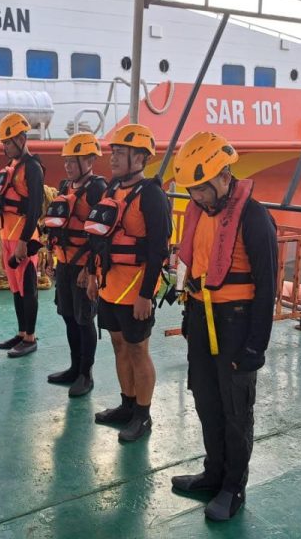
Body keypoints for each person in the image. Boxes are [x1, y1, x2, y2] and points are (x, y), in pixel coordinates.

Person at [169, 131, 278, 521]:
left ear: (222, 177)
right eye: (191, 190)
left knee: (236, 410)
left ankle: (234, 486)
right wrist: (187, 315)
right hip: (201, 320)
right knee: (206, 401)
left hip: (235, 326)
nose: (195, 197)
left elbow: (267, 288)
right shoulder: (200, 215)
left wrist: (255, 348)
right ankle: (213, 472)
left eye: (200, 189)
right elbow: (196, 269)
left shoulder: (254, 217)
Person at [86, 124, 172, 442]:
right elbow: (100, 237)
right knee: (118, 345)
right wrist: (94, 274)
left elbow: (159, 249)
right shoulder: (111, 190)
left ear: (140, 158)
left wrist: (146, 295)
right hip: (110, 286)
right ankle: (127, 405)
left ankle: (143, 416)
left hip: (136, 290)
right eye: (113, 152)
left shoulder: (151, 195)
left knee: (138, 350)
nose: (113, 158)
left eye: (120, 152)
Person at [44, 132, 107, 396]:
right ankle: (74, 367)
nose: (68, 165)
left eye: (74, 160)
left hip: (83, 266)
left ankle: (86, 374)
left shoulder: (97, 189)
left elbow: (100, 234)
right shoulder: (64, 187)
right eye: (67, 160)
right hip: (64, 263)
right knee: (68, 317)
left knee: (84, 321)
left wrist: (89, 269)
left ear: (90, 160)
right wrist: (50, 254)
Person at [0, 112, 45, 358]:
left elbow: (34, 208)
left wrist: (24, 241)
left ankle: (31, 338)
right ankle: (22, 333)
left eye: (8, 142)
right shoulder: (12, 167)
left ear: (22, 139)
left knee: (28, 287)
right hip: (6, 236)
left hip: (24, 238)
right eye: (3, 143)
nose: (5, 147)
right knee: (15, 288)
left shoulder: (32, 168)